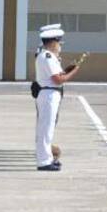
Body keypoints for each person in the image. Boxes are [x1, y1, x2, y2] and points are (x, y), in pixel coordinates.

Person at [32, 23, 82, 171]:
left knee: (47, 129)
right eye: (59, 42)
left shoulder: (49, 56)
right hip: (48, 94)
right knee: (45, 129)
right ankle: (44, 162)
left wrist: (69, 69)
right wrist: (75, 71)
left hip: (50, 94)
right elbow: (58, 79)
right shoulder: (47, 56)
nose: (60, 45)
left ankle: (47, 158)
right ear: (53, 42)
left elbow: (58, 74)